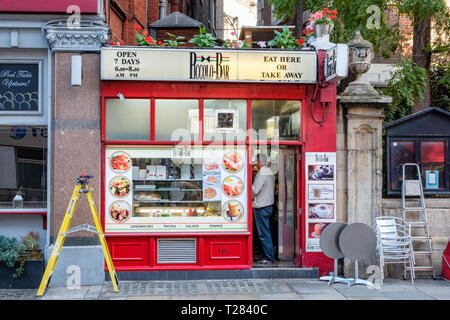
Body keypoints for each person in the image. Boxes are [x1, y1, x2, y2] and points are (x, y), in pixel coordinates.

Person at [252, 153, 275, 264]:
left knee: (263, 233)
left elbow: (255, 190)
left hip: (261, 206)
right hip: (269, 205)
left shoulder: (261, 173)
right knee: (266, 231)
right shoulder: (270, 172)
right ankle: (266, 254)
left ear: (259, 161)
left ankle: (268, 257)